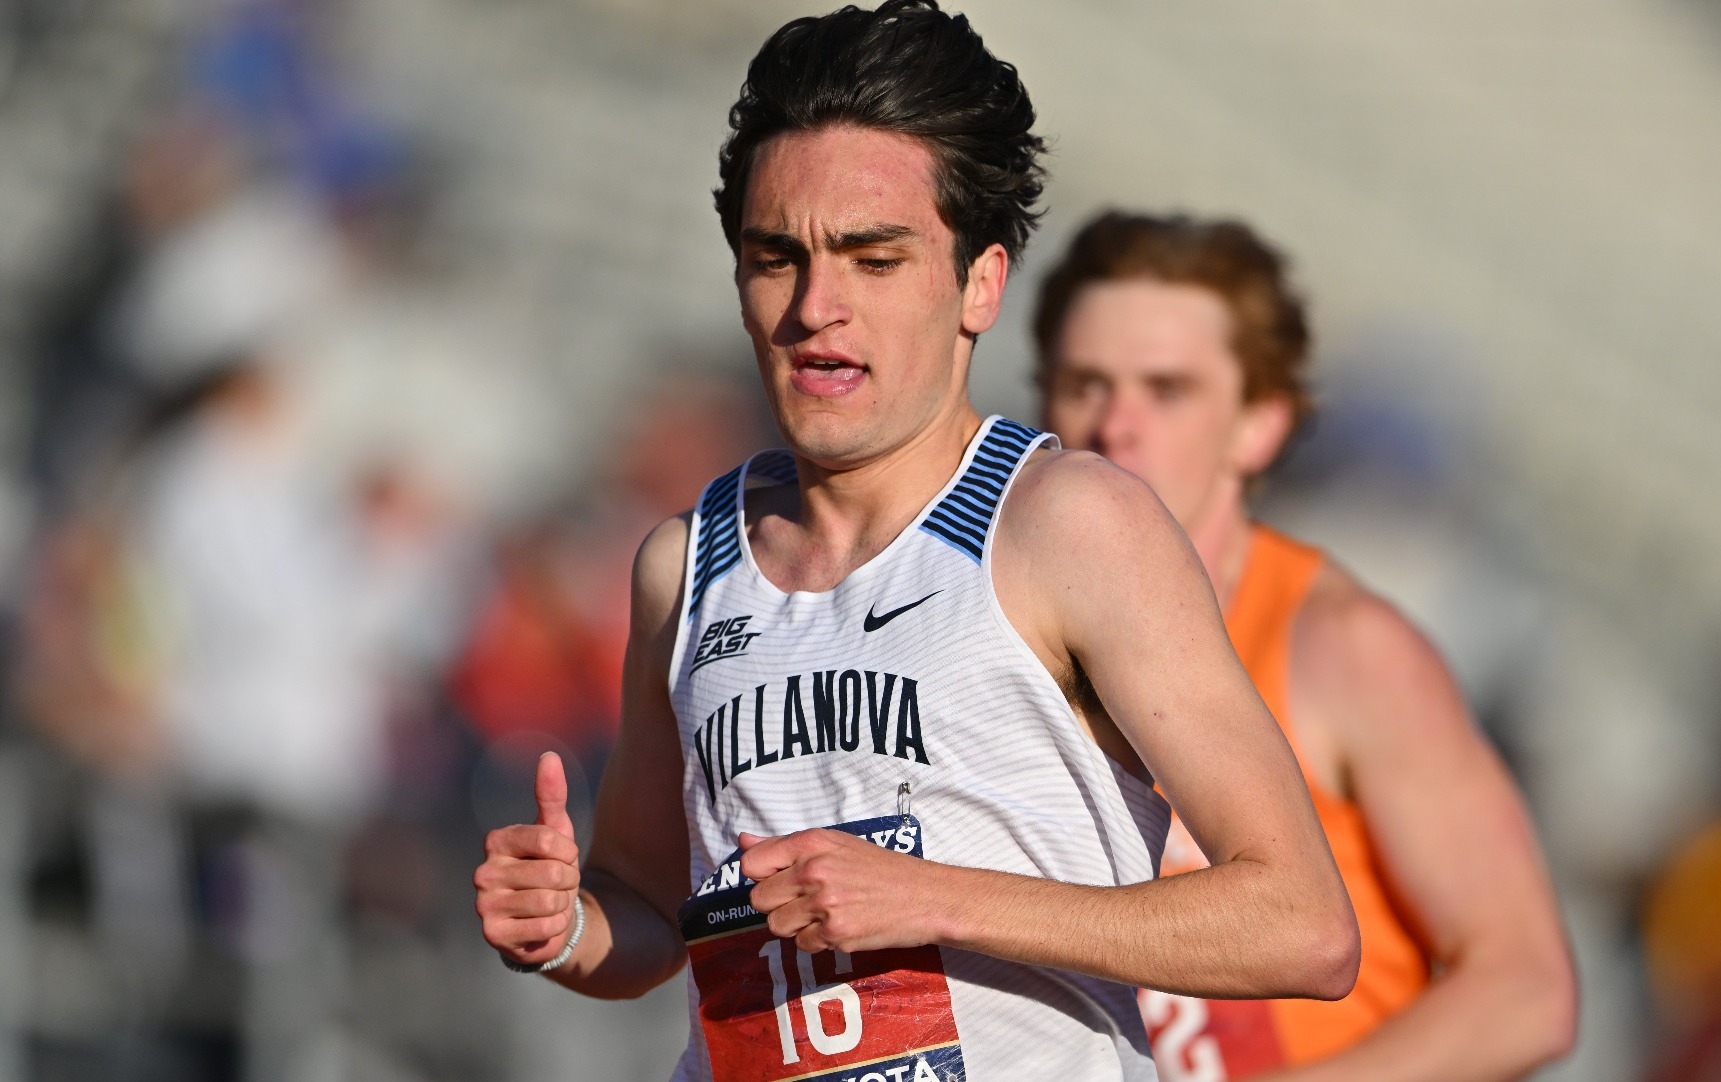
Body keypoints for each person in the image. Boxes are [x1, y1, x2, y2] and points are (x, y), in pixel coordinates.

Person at [472, 5, 1358, 1081]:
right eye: (775, 258)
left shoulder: (1069, 525)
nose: (815, 308)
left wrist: (929, 896)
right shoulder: (683, 564)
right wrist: (563, 924)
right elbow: (650, 906)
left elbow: (1302, 924)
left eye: (872, 258)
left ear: (978, 283)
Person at [1034, 211, 1578, 1080]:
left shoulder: (1343, 650)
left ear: (1258, 425)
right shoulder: (997, 619)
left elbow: (1526, 991)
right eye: (1084, 384)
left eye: (1166, 390)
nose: (1117, 425)